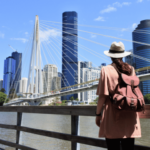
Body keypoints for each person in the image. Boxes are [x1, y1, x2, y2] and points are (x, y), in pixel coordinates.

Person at [95, 42, 141, 150]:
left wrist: (97, 114)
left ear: (110, 55)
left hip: (113, 114)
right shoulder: (131, 69)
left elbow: (102, 96)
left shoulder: (105, 70)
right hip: (130, 113)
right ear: (122, 55)